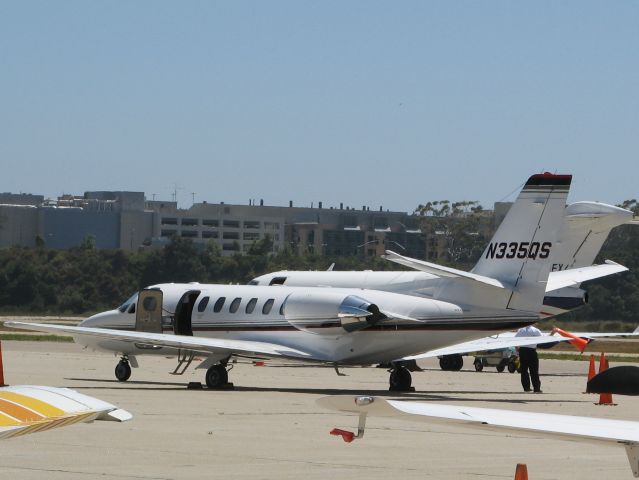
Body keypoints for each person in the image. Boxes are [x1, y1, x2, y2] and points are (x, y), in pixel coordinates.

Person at [515, 324, 542, 393]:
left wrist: (517, 350)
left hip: (523, 351)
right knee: (534, 371)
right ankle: (536, 388)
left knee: (524, 371)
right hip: (532, 351)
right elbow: (542, 339)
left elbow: (515, 340)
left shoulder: (521, 330)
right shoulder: (535, 330)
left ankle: (526, 388)